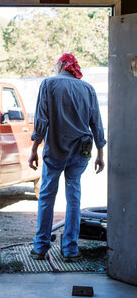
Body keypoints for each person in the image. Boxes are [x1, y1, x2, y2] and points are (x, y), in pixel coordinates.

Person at [28, 53, 106, 262]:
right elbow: (96, 122)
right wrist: (100, 153)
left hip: (55, 150)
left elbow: (41, 119)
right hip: (81, 151)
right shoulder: (87, 88)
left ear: (62, 65)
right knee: (74, 198)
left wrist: (34, 148)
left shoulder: (48, 84)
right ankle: (70, 250)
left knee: (46, 197)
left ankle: (40, 248)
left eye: (56, 65)